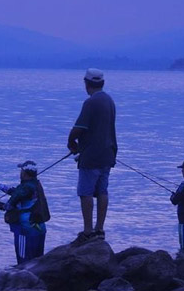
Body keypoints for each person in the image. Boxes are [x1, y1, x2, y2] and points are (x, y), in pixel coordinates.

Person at [66, 68, 117, 244]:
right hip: (108, 154)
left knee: (86, 192)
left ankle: (88, 231)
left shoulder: (91, 102)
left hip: (91, 157)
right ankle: (99, 229)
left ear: (87, 84)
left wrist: (71, 142)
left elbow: (79, 128)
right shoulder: (109, 100)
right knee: (102, 191)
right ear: (101, 83)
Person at [0, 160, 49, 264]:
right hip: (39, 229)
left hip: (25, 230)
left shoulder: (26, 187)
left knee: (23, 263)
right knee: (37, 263)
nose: (20, 173)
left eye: (21, 171)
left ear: (25, 173)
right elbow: (16, 192)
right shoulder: (35, 185)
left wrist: (3, 206)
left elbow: (10, 203)